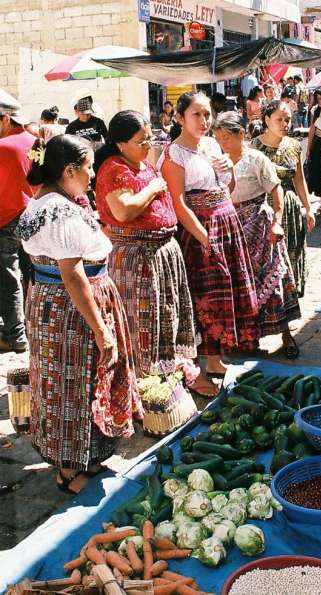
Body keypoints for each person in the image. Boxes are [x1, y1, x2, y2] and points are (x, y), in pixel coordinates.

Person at [16, 134, 142, 494]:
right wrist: (102, 330)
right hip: (71, 309)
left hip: (54, 303)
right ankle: (68, 470)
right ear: (69, 170)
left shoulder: (49, 200)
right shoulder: (58, 211)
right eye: (87, 168)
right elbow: (72, 274)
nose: (91, 174)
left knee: (75, 380)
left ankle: (84, 455)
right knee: (72, 383)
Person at [94, 110, 217, 396]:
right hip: (137, 260)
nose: (148, 146)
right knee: (144, 322)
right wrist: (152, 188)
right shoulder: (114, 168)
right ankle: (147, 386)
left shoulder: (142, 165)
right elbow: (123, 210)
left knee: (169, 316)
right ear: (121, 143)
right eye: (141, 141)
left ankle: (175, 373)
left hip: (162, 254)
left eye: (150, 139)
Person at [159, 92, 259, 377]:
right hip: (199, 229)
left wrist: (230, 168)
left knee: (226, 292)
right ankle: (200, 365)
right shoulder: (173, 154)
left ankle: (216, 359)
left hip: (226, 223)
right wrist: (205, 238)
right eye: (196, 114)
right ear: (179, 118)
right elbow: (178, 203)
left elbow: (227, 189)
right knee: (204, 296)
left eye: (207, 114)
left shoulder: (213, 145)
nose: (204, 120)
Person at [214, 112, 302, 357]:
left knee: (274, 279)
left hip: (259, 225)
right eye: (218, 138)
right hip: (231, 227)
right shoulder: (216, 161)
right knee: (240, 284)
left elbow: (276, 191)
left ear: (241, 135)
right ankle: (246, 339)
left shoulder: (256, 159)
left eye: (227, 138)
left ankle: (286, 334)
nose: (223, 143)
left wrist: (277, 222)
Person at [252, 100, 315, 305]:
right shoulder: (256, 146)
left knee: (293, 250)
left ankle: (291, 298)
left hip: (290, 205)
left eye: (287, 119)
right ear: (267, 120)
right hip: (267, 207)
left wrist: (308, 208)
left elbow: (299, 179)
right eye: (279, 119)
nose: (284, 124)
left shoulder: (294, 146)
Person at [0, 94, 35, 353]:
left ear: (4, 119)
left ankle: (16, 336)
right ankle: (31, 328)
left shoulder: (3, 147)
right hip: (32, 215)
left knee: (9, 278)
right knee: (32, 275)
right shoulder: (36, 142)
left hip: (7, 219)